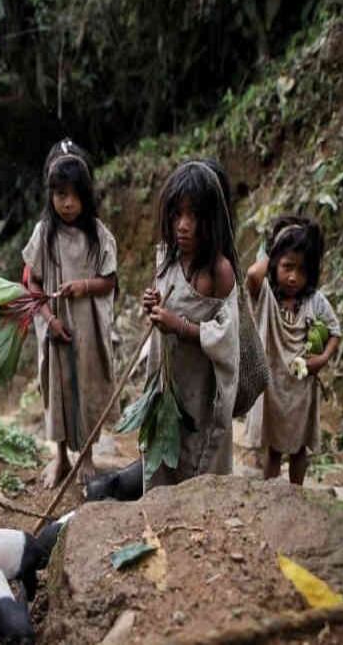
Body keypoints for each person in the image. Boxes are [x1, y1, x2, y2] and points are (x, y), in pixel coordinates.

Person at [23, 138, 118, 488]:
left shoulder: (99, 236)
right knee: (58, 388)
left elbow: (109, 281)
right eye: (60, 193)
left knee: (88, 387)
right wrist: (49, 319)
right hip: (55, 329)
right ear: (50, 194)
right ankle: (60, 457)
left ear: (87, 193)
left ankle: (88, 457)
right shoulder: (43, 235)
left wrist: (83, 287)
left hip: (88, 330)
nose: (68, 202)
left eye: (75, 194)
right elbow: (32, 284)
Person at [141, 159, 240, 490]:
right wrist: (153, 306)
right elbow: (166, 298)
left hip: (202, 393)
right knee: (162, 465)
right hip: (167, 386)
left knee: (200, 467)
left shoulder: (219, 272)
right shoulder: (167, 256)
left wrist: (181, 327)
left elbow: (227, 339)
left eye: (194, 216)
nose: (183, 225)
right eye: (176, 214)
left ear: (212, 220)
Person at [245, 216, 341, 485]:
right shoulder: (265, 296)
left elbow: (335, 331)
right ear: (274, 263)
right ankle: (272, 496)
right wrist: (273, 248)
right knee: (274, 449)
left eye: (302, 270)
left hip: (301, 386)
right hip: (272, 384)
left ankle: (297, 496)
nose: (293, 277)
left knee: (299, 448)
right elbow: (253, 274)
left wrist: (321, 359)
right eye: (287, 266)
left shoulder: (314, 301)